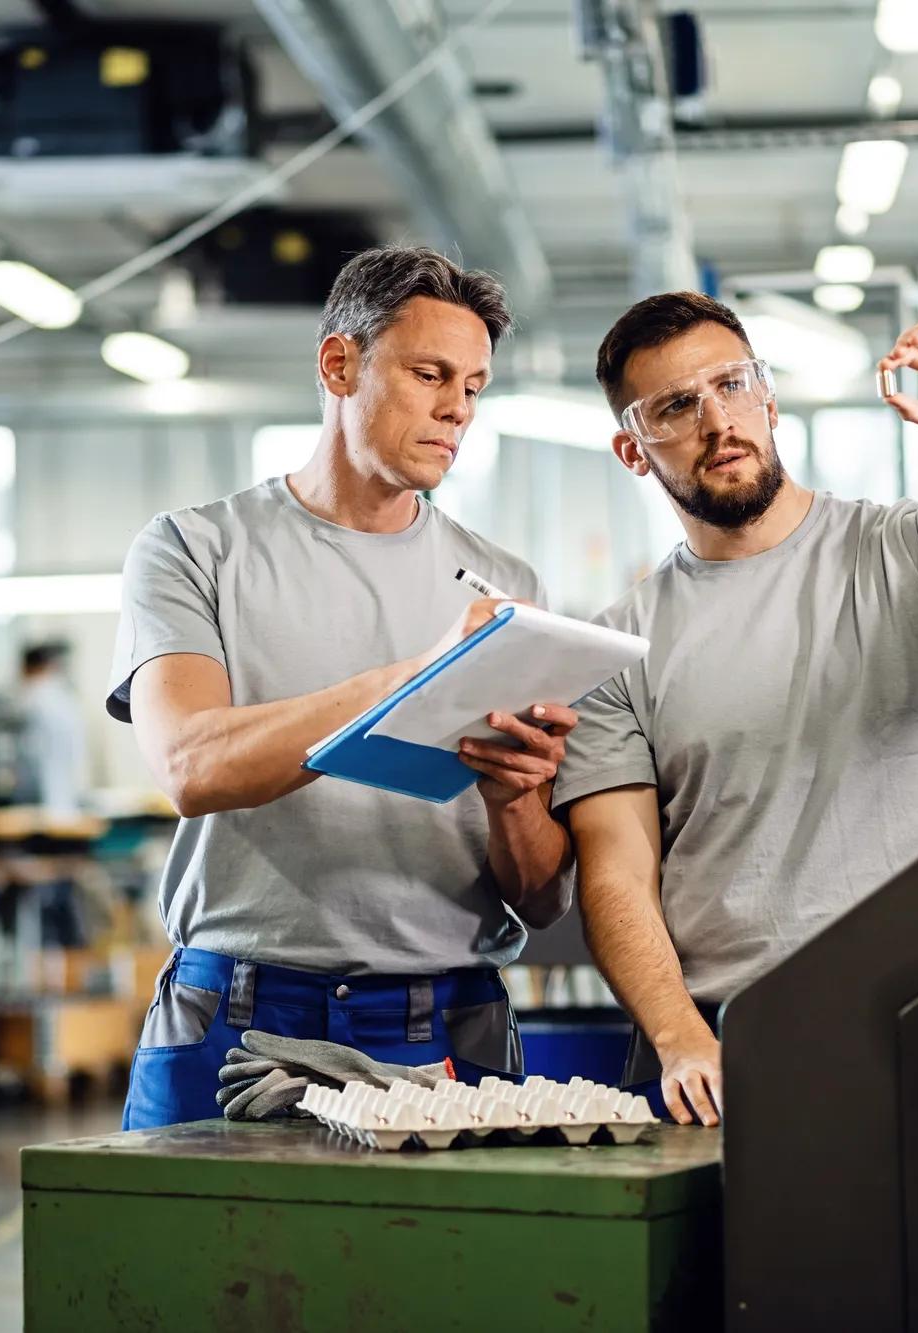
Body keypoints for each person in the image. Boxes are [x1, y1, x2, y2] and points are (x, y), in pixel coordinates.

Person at [554, 295, 918, 1127]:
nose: (718, 420)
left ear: (770, 399)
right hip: (734, 1047)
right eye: (677, 406)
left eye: (733, 384)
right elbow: (616, 876)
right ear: (632, 450)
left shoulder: (916, 549)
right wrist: (680, 1036)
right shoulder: (617, 647)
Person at [109, 245, 577, 1130]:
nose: (456, 409)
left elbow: (542, 895)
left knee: (450, 1274)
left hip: (445, 1021)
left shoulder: (506, 587)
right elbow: (191, 764)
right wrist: (415, 681)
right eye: (430, 373)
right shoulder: (192, 550)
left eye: (474, 387)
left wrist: (517, 799)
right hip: (236, 1016)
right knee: (189, 1267)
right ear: (339, 364)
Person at [14, 640, 88, 816]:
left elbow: (31, 750)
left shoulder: (36, 697)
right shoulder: (64, 697)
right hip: (67, 792)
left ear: (28, 667)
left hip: (44, 795)